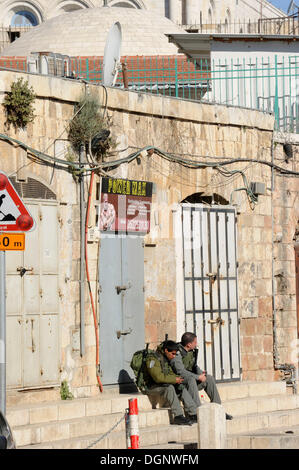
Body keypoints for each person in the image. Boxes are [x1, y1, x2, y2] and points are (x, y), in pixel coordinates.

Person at [170, 332, 233, 420]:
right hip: (181, 381)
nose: (196, 344)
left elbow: (194, 365)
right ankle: (198, 411)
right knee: (191, 380)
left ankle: (218, 410)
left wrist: (201, 374)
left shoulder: (191, 351)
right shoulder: (177, 354)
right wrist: (198, 377)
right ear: (189, 344)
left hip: (191, 378)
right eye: (195, 342)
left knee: (209, 378)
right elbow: (181, 372)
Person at [144, 340, 198, 425]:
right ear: (166, 350)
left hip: (162, 384)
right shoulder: (152, 359)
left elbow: (170, 373)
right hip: (151, 386)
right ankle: (178, 416)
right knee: (170, 388)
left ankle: (193, 413)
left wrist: (177, 379)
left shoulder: (166, 358)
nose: (173, 356)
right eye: (172, 354)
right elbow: (158, 377)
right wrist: (174, 380)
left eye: (175, 354)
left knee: (180, 387)